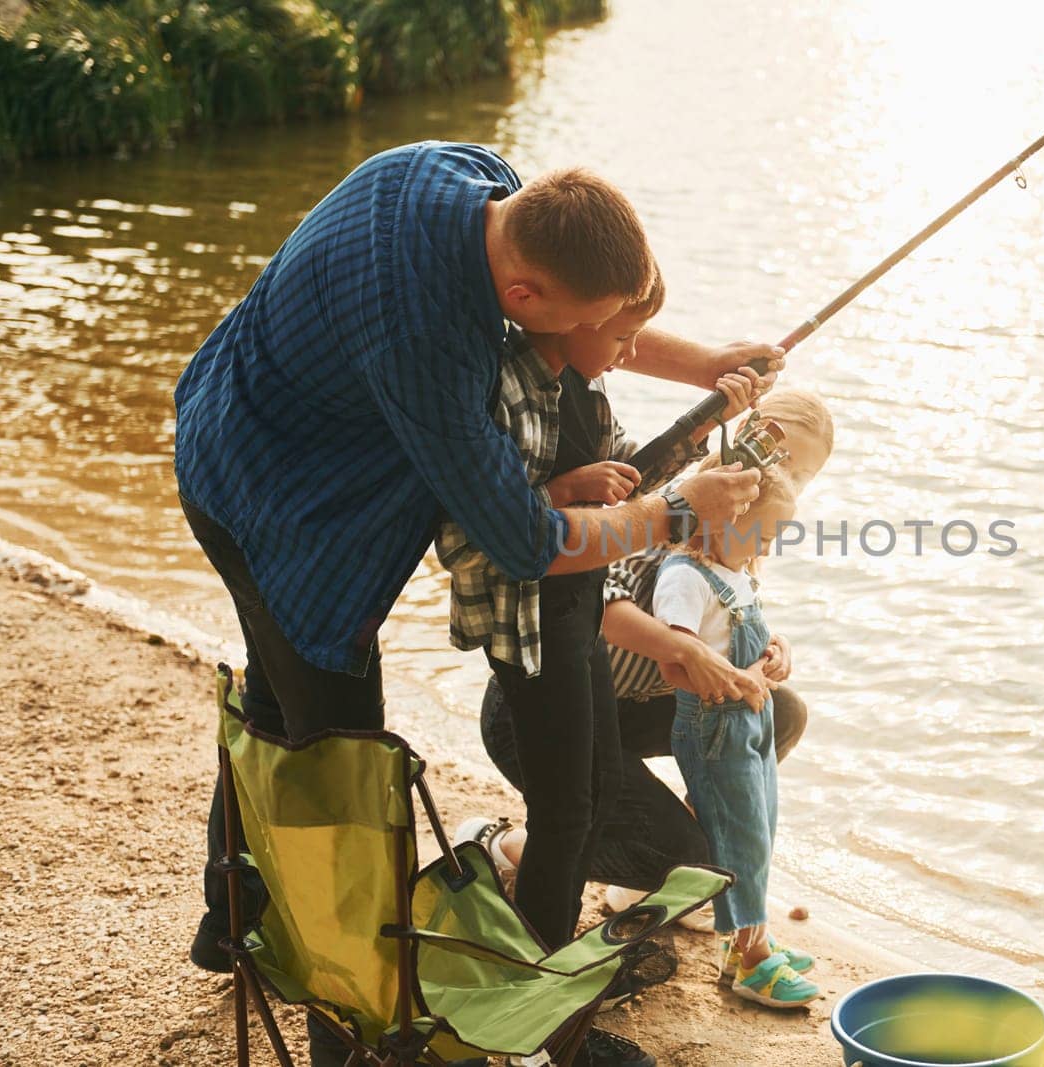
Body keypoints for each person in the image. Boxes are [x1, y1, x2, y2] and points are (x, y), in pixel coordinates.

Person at [173, 141, 773, 1066]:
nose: (614, 346)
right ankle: (357, 1029)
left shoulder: (468, 177)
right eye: (603, 325)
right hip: (279, 499)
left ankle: (231, 919)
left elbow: (575, 321)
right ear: (524, 301)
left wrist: (703, 364)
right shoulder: (432, 342)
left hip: (222, 420)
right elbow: (529, 541)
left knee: (271, 701)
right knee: (339, 758)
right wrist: (671, 512)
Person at [461, 391, 834, 934]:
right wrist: (685, 651)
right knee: (682, 855)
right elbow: (605, 609)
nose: (784, 480)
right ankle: (500, 845)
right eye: (781, 458)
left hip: (633, 713)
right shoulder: (673, 501)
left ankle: (640, 881)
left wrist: (771, 650)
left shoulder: (750, 526)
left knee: (783, 712)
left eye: (802, 476)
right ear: (751, 435)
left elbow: (726, 613)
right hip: (549, 713)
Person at [656, 464, 823, 1008]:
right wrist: (737, 679)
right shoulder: (684, 576)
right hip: (713, 726)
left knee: (762, 827)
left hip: (753, 719)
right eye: (766, 533)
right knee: (738, 837)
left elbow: (744, 631)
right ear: (725, 515)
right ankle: (753, 964)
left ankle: (747, 941)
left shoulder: (738, 567)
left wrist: (776, 652)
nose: (769, 547)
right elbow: (674, 665)